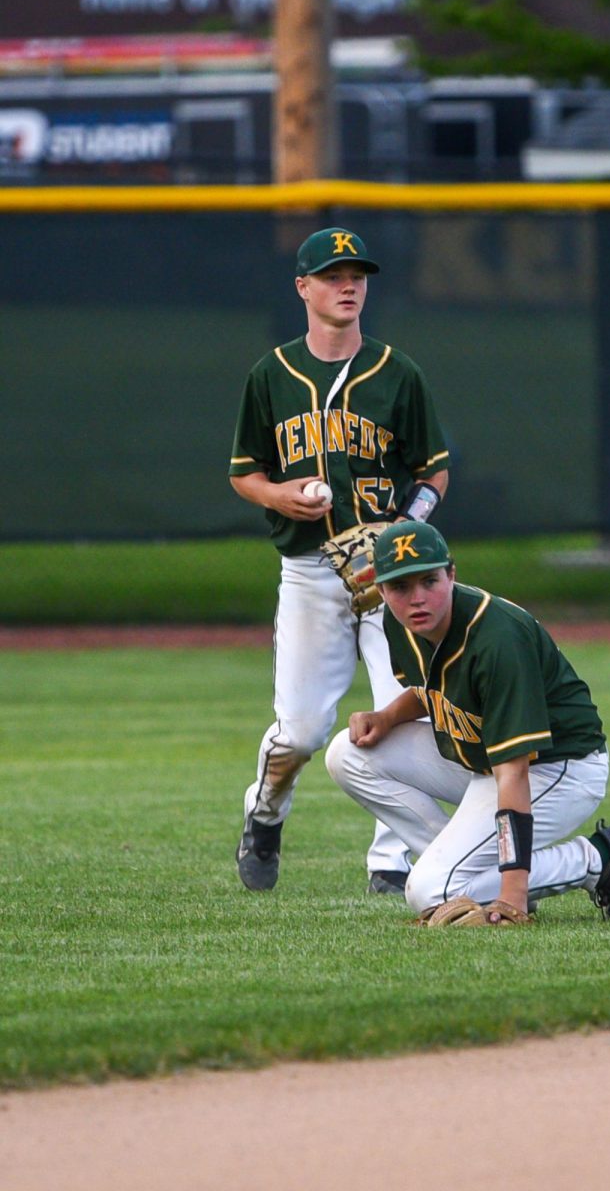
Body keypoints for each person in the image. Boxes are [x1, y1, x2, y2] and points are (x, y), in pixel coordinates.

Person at [229, 227, 451, 894]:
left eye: (356, 275)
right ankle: (264, 815)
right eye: (332, 275)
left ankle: (392, 860)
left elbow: (433, 471)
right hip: (309, 575)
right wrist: (277, 494)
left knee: (400, 722)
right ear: (303, 287)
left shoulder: (397, 373)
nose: (347, 285)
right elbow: (245, 473)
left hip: (393, 580)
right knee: (298, 732)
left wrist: (402, 533)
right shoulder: (271, 375)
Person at [325, 520, 610, 922]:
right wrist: (386, 716)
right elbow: (433, 689)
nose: (417, 598)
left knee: (431, 890)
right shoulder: (402, 624)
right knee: (347, 753)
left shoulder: (498, 639)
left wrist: (512, 894)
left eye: (429, 580)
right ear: (381, 589)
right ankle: (479, 872)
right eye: (400, 587)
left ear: (452, 573)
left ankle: (602, 858)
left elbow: (513, 773)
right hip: (483, 758)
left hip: (558, 766)